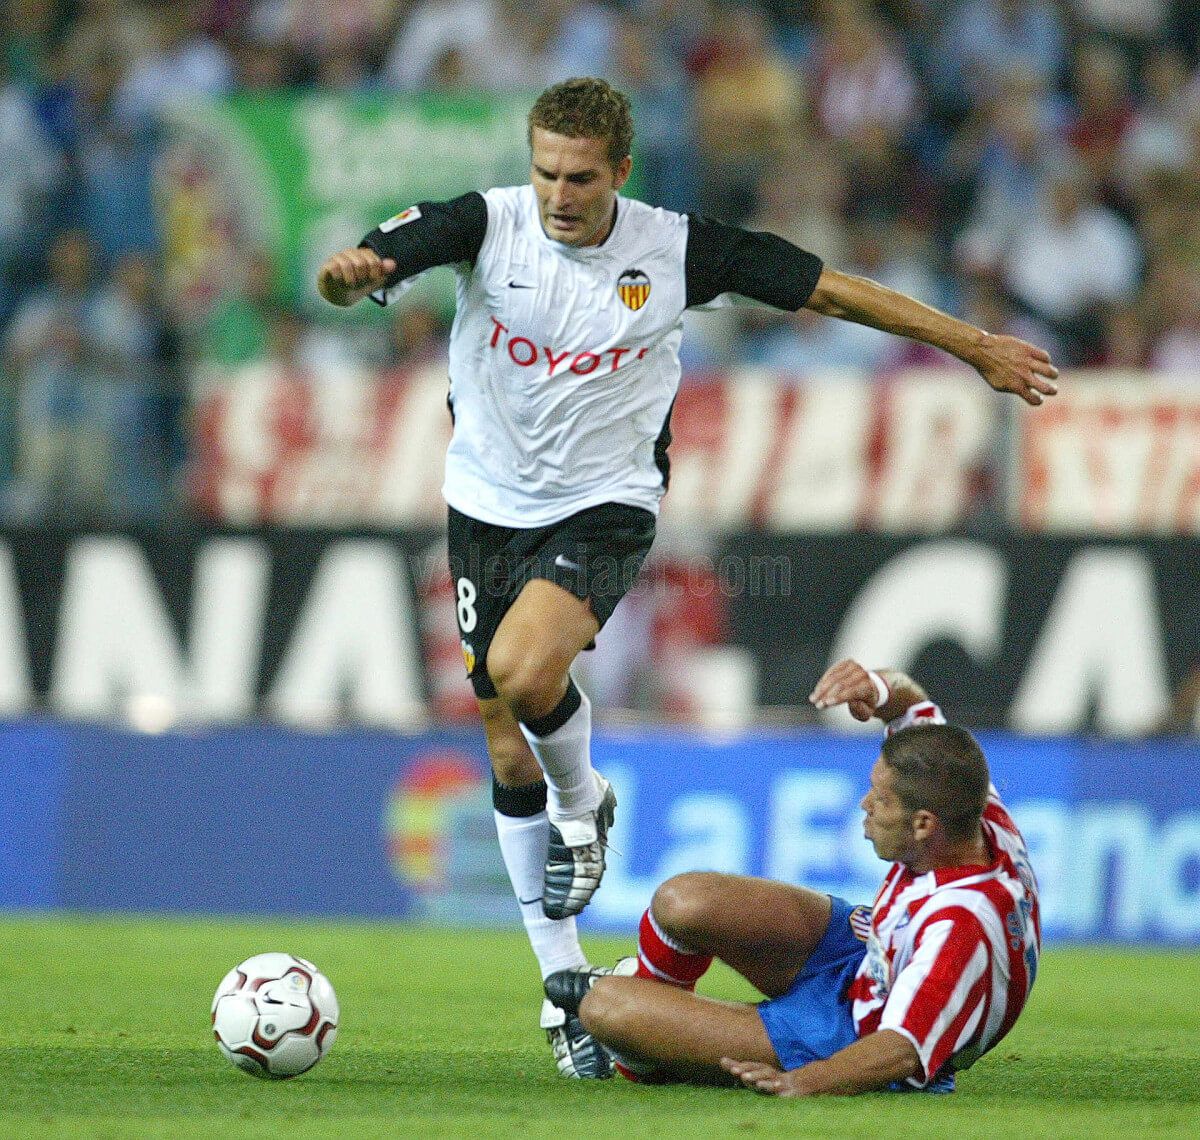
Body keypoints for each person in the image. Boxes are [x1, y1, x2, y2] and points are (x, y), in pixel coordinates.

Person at [315, 77, 1057, 1079]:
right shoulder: (484, 225)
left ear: (620, 171)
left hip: (608, 501)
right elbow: (370, 263)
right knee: (499, 736)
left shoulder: (676, 248)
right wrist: (351, 279)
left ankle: (586, 806)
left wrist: (972, 347)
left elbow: (832, 288)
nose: (558, 195)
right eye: (544, 172)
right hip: (484, 504)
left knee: (527, 675)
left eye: (580, 177)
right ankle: (560, 984)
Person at [544, 658, 1041, 1094]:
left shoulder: (962, 924)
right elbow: (911, 703)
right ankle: (657, 1025)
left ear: (924, 824)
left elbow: (902, 1047)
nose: (864, 805)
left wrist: (807, 1081)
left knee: (605, 1009)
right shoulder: (974, 812)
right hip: (866, 958)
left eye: (880, 800)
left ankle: (647, 1046)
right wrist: (878, 687)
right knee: (682, 900)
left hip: (853, 1034)